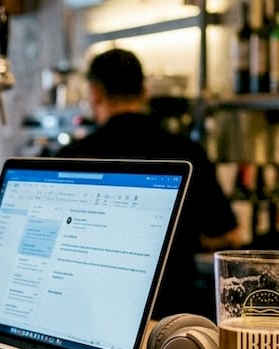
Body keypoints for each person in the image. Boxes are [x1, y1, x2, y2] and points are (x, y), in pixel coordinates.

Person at [56, 49, 242, 320]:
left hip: (92, 312)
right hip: (172, 322)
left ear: (94, 94)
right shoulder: (186, 151)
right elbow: (230, 235)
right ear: (144, 91)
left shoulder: (72, 157)